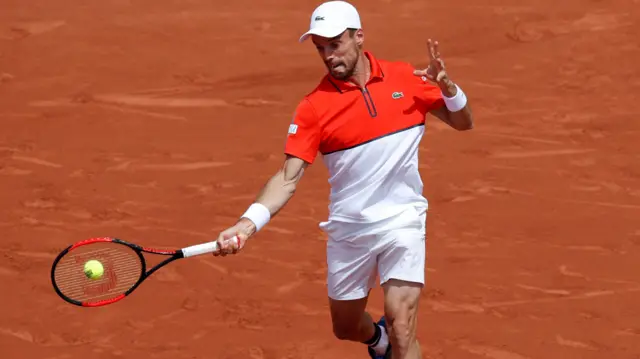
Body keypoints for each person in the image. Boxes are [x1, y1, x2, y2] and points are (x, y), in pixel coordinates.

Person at [212, 1, 474, 358]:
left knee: (402, 323)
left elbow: (463, 122)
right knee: (346, 326)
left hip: (403, 221)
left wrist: (449, 89)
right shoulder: (314, 107)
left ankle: (392, 341)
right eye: (320, 48)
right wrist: (247, 224)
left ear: (359, 37)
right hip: (350, 230)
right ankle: (375, 340)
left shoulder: (406, 79)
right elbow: (287, 178)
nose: (327, 55)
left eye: (334, 44)